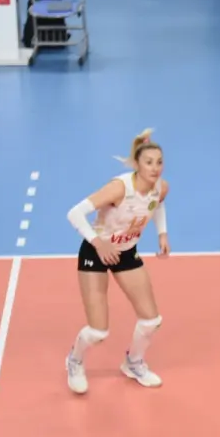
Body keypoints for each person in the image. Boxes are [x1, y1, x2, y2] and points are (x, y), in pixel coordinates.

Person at [63, 129, 171, 395]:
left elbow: (156, 204)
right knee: (98, 331)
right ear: (137, 165)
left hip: (125, 251)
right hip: (96, 252)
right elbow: (74, 213)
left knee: (151, 320)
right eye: (148, 162)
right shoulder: (119, 188)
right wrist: (99, 243)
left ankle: (133, 363)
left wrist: (162, 233)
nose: (155, 168)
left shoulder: (161, 187)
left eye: (159, 162)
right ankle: (74, 361)